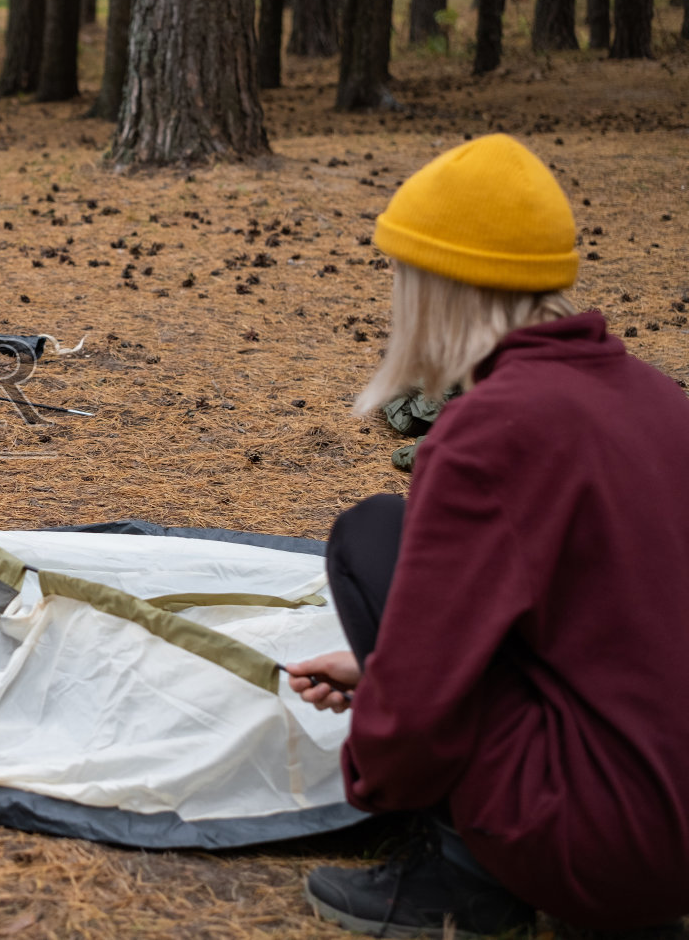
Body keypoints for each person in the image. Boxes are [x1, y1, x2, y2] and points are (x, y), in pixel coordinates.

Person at [286, 135, 689, 936]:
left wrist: (377, 764)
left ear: (434, 287)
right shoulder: (660, 400)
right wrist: (381, 667)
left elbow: (423, 701)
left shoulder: (487, 433)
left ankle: (459, 875)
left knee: (375, 537)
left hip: (599, 842)